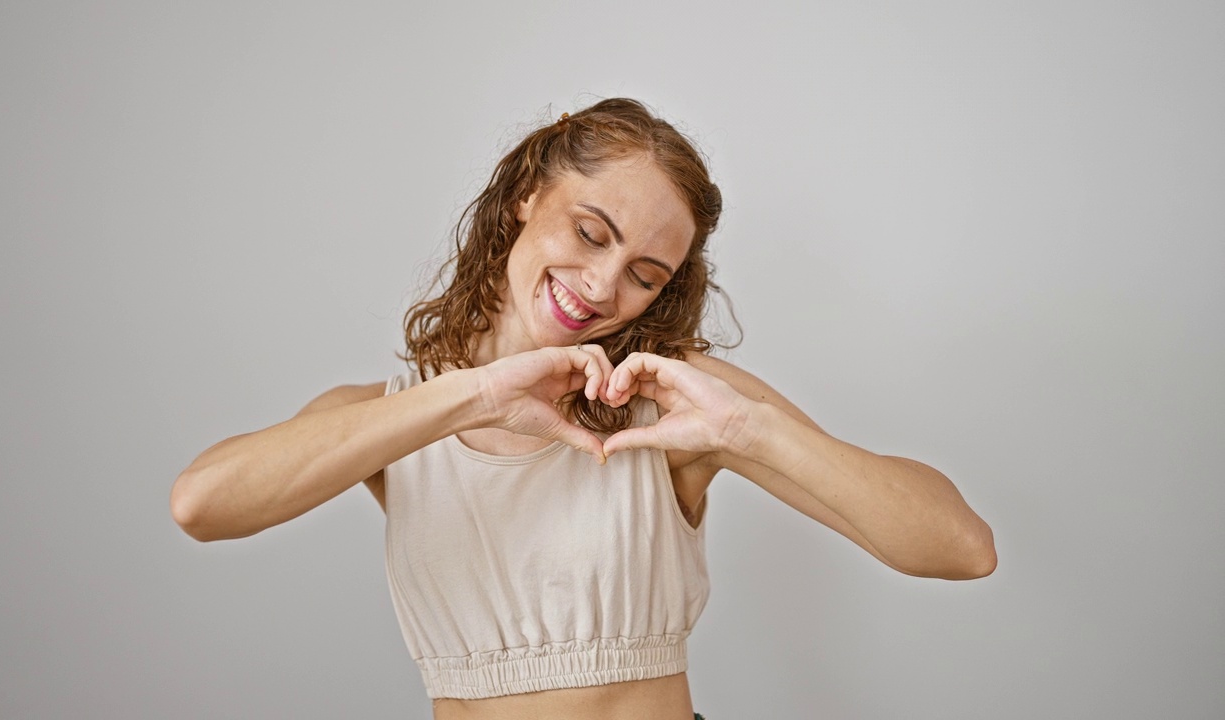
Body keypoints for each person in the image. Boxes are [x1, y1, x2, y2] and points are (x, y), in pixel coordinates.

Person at [170, 98, 996, 719]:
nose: (603, 287)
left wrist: (748, 428)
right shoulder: (396, 419)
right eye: (591, 233)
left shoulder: (671, 408)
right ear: (528, 193)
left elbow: (960, 549)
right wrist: (477, 392)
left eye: (645, 274)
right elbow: (202, 504)